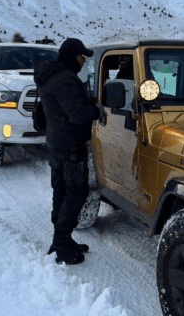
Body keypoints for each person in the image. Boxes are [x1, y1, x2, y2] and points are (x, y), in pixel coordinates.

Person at [34, 38, 104, 265]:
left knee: (61, 191)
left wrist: (85, 100)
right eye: (81, 57)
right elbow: (77, 115)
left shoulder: (52, 75)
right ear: (72, 56)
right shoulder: (64, 79)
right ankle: (62, 243)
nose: (83, 61)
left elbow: (65, 106)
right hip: (70, 144)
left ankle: (62, 240)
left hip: (57, 142)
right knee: (76, 193)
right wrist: (96, 110)